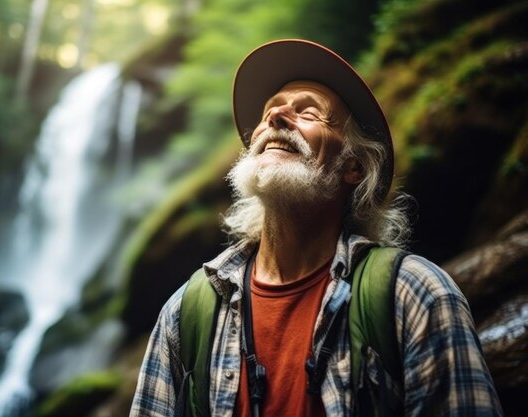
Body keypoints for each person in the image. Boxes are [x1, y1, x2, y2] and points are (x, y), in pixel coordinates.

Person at [130, 39, 502, 417]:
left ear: (353, 167)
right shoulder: (184, 313)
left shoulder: (415, 295)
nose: (277, 118)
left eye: (308, 113)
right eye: (270, 112)